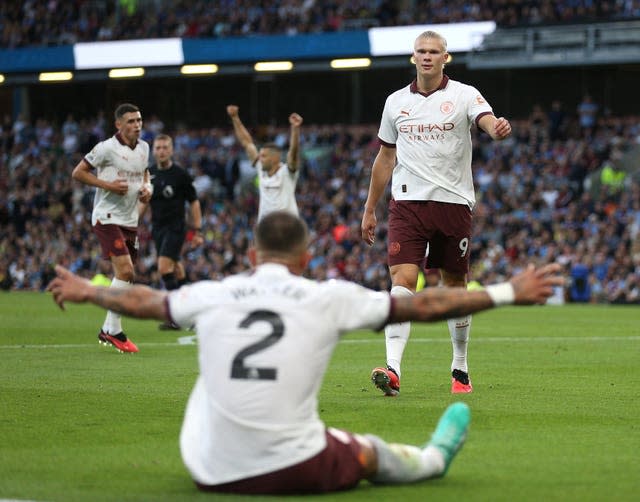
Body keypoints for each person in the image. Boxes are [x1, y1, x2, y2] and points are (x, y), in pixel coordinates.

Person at [47, 211, 563, 495]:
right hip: (294, 466)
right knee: (366, 452)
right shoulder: (327, 296)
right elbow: (422, 305)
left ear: (251, 256)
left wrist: (89, 290)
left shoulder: (215, 292)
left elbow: (144, 299)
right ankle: (431, 460)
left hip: (209, 469)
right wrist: (506, 292)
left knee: (208, 386)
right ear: (306, 258)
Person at [361, 30, 513, 396]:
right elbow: (385, 158)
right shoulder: (395, 102)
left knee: (454, 286)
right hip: (407, 203)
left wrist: (496, 128)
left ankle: (460, 367)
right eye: (421, 51)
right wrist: (370, 208)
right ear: (413, 58)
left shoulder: (463, 94)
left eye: (434, 51)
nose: (427, 56)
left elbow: (485, 119)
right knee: (402, 281)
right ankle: (393, 368)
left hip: (453, 202)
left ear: (446, 58)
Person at [71, 102, 151, 353]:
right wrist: (107, 186)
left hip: (129, 218)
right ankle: (114, 331)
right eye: (131, 121)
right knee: (126, 271)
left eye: (139, 120)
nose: (137, 125)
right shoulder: (106, 148)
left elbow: (144, 174)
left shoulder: (144, 148)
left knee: (126, 276)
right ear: (118, 124)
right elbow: (78, 173)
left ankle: (108, 328)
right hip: (106, 216)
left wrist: (147, 189)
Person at [138, 133, 204, 330]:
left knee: (164, 268)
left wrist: (198, 230)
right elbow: (144, 202)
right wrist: (132, 224)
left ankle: (177, 317)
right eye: (158, 148)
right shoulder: (149, 174)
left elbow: (194, 202)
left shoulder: (180, 175)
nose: (161, 151)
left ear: (172, 150)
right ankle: (192, 313)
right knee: (176, 269)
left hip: (176, 227)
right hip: (157, 228)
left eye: (165, 147)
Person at [226, 104, 303, 221]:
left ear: (275, 158)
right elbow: (247, 143)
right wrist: (235, 118)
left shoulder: (287, 172)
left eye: (264, 156)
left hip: (288, 230)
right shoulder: (261, 169)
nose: (260, 159)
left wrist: (295, 129)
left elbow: (293, 153)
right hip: (266, 231)